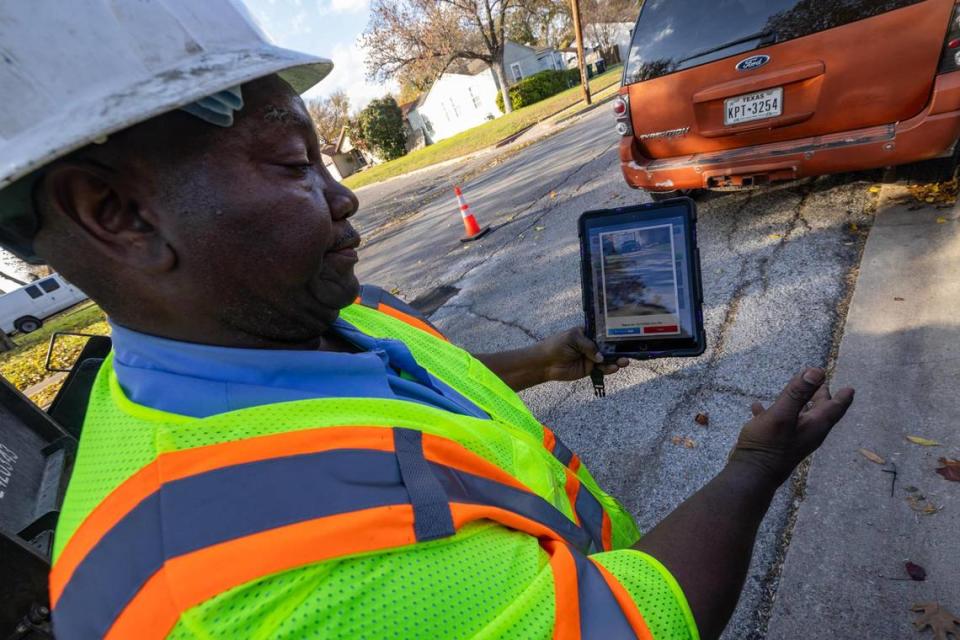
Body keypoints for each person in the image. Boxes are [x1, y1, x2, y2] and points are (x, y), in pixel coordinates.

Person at [0, 2, 854, 639]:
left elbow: (385, 392)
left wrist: (544, 359)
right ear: (116, 213)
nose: (342, 197)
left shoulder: (266, 322)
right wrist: (754, 468)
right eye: (294, 163)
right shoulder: (247, 583)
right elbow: (634, 622)